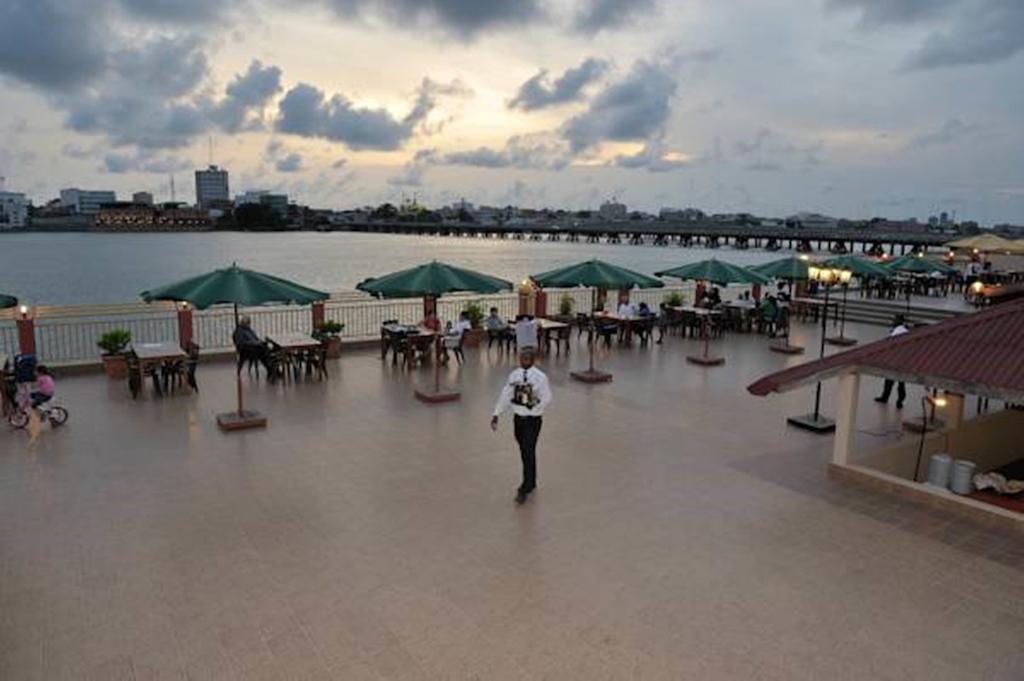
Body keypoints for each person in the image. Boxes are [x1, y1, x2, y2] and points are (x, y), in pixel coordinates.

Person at [491, 348, 553, 505]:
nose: (524, 361)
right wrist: (497, 413)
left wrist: (533, 405)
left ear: (533, 359)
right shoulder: (514, 375)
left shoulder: (540, 377)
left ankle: (524, 487)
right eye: (522, 358)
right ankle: (531, 481)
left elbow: (546, 397)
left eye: (527, 358)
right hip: (518, 419)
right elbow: (506, 394)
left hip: (532, 420)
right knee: (525, 451)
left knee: (527, 449)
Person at [875, 315, 910, 408]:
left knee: (892, 380)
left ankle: (886, 398)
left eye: (894, 320)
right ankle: (899, 401)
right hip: (904, 359)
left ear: (899, 321)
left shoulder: (898, 331)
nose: (892, 322)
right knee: (900, 382)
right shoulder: (905, 330)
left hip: (896, 359)